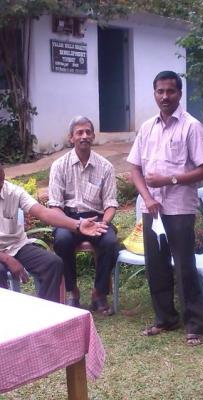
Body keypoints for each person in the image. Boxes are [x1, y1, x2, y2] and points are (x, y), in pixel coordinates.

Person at [127, 70, 203, 346]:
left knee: (185, 265)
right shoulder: (147, 127)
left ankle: (194, 324)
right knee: (156, 265)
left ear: (179, 94)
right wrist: (147, 197)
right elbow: (135, 167)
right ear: (154, 93)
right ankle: (165, 318)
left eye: (170, 91)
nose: (165, 96)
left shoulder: (191, 127)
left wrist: (169, 180)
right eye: (160, 91)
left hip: (179, 208)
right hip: (150, 208)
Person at [0, 164, 107, 302]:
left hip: (16, 246)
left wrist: (78, 225)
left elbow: (44, 214)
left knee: (53, 264)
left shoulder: (13, 192)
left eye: (1, 181)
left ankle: (46, 316)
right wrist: (7, 259)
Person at [48, 116, 119, 315]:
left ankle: (99, 293)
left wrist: (103, 223)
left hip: (97, 218)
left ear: (93, 135)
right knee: (61, 240)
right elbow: (54, 206)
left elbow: (111, 204)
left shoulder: (105, 167)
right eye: (79, 132)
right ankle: (73, 291)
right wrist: (74, 223)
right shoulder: (59, 166)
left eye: (88, 132)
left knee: (110, 242)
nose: (84, 136)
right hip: (68, 218)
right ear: (71, 138)